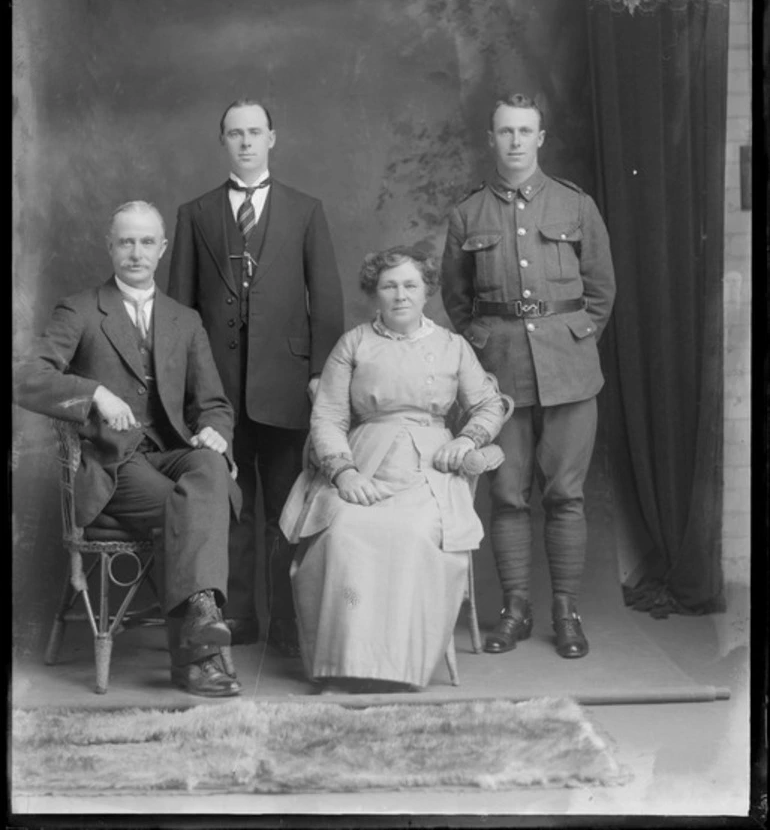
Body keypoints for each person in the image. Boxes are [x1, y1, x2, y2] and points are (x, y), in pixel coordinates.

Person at [14, 201, 243, 697]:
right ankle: (201, 655)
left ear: (161, 250)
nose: (135, 252)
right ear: (110, 247)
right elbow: (26, 378)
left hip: (169, 450)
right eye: (125, 242)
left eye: (145, 242)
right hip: (114, 462)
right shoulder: (79, 310)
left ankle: (200, 631)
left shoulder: (185, 319)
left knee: (208, 466)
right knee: (193, 510)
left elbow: (215, 403)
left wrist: (216, 431)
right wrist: (94, 393)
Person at [279, 246, 508, 693]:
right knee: (343, 532)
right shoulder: (354, 344)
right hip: (364, 460)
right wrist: (344, 473)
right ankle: (343, 663)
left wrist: (466, 439)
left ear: (426, 293)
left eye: (410, 285)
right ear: (374, 294)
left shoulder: (452, 346)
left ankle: (401, 667)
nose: (400, 295)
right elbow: (327, 416)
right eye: (389, 286)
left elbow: (486, 405)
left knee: (415, 534)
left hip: (431, 469)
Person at [441, 92, 616, 659]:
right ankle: (515, 608)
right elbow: (457, 299)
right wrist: (485, 348)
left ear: (541, 138)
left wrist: (572, 339)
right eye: (505, 132)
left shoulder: (575, 205)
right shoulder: (468, 214)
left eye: (525, 131)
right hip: (501, 375)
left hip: (569, 371)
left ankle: (566, 610)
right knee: (509, 494)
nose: (515, 141)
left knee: (565, 493)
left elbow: (600, 292)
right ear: (490, 139)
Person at [167, 99, 344, 657]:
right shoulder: (195, 213)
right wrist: (191, 389)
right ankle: (237, 614)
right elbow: (178, 311)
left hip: (289, 387)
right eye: (234, 134)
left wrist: (320, 375)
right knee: (228, 506)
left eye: (255, 133)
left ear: (273, 138)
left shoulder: (305, 209)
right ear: (222, 141)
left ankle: (289, 619)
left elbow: (329, 301)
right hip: (217, 393)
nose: (245, 142)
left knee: (290, 504)